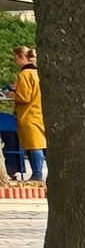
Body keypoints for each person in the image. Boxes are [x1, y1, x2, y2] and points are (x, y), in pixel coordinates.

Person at [10, 47, 42, 183]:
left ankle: (37, 174)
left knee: (34, 145)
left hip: (28, 114)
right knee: (39, 143)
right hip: (38, 111)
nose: (14, 60)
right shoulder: (38, 73)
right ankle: (38, 172)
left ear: (21, 57)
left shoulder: (25, 74)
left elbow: (24, 97)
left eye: (15, 57)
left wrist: (12, 94)